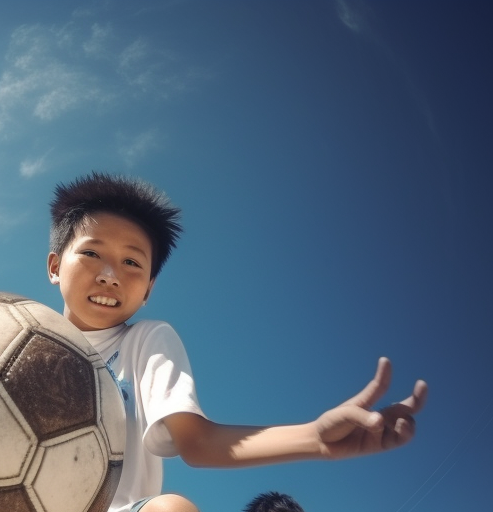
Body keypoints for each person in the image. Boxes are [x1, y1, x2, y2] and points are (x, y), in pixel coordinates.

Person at [46, 171, 428, 512]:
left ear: (148, 289)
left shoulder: (146, 341)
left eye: (132, 263)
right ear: (54, 266)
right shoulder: (13, 339)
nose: (110, 274)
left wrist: (315, 437)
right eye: (92, 253)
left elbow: (198, 443)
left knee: (171, 509)